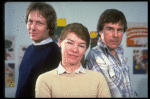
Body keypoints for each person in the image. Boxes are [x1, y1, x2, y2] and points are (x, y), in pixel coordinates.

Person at [35, 23, 111, 98]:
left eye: (81, 46)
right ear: (59, 43)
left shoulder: (98, 79)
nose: (75, 50)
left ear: (85, 50)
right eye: (70, 43)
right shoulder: (44, 80)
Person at [84, 9, 138, 98]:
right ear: (100, 31)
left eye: (119, 30)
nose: (115, 35)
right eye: (110, 29)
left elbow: (127, 90)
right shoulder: (96, 56)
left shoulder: (119, 51)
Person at [15, 2, 61, 98]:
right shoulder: (29, 49)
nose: (32, 27)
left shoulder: (54, 52)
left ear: (49, 27)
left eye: (39, 23)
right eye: (30, 21)